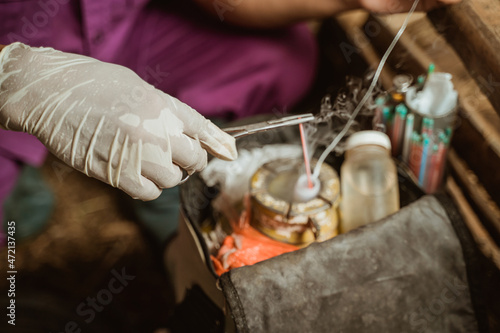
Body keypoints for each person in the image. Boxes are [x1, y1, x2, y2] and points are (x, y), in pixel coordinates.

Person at [0, 0, 460, 244]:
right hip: (13, 57)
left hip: (113, 24)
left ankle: (169, 193)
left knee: (280, 56)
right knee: (19, 220)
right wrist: (19, 78)